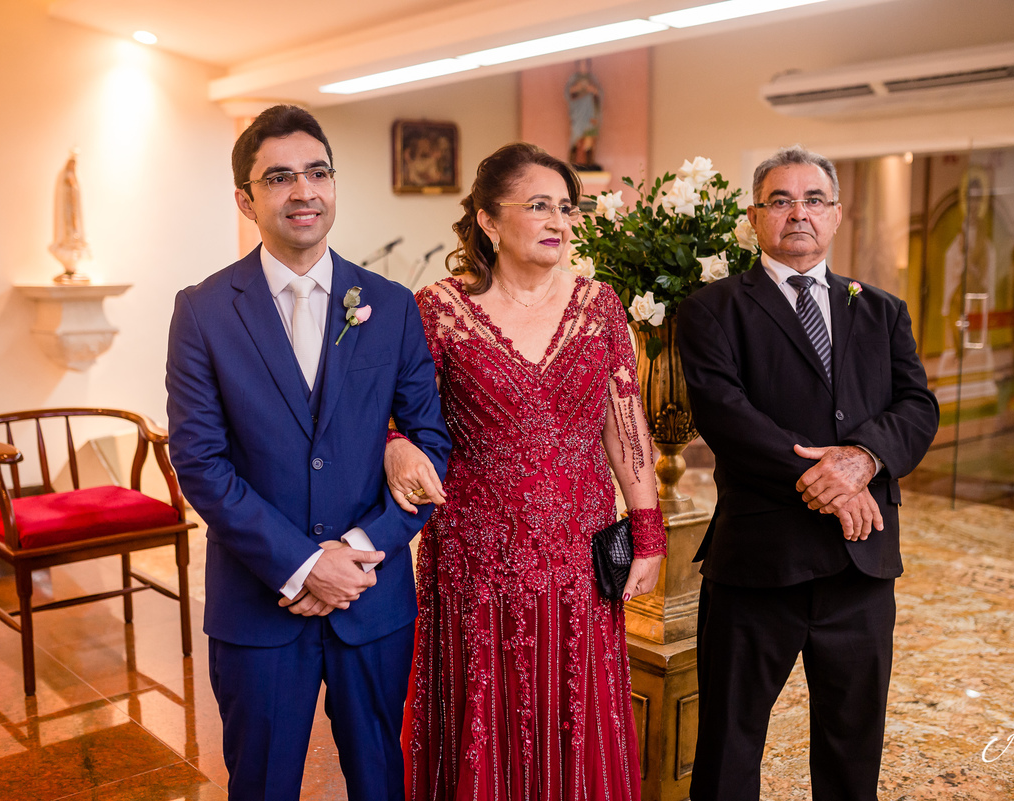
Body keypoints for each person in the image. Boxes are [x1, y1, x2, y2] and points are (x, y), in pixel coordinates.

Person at [165, 104, 450, 801]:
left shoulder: (388, 304)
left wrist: (353, 551)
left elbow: (430, 445)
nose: (304, 191)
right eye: (281, 177)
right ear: (246, 197)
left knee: (382, 781)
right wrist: (301, 565)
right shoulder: (202, 311)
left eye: (318, 172)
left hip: (372, 597)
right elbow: (201, 460)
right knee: (261, 786)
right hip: (260, 604)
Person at [391, 142, 667, 800]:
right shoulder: (438, 308)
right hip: (474, 560)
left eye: (566, 208)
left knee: (577, 710)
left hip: (578, 556)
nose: (559, 221)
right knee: (481, 710)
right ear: (488, 219)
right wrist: (393, 443)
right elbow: (397, 411)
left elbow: (625, 426)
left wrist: (649, 527)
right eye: (538, 205)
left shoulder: (600, 307)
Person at [677, 145, 939, 801]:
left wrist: (861, 459)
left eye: (814, 199)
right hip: (758, 566)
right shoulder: (713, 309)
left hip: (862, 568)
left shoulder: (881, 309)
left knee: (854, 752)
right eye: (781, 200)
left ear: (837, 214)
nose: (800, 213)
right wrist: (827, 478)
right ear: (755, 216)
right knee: (729, 750)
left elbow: (917, 406)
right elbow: (726, 414)